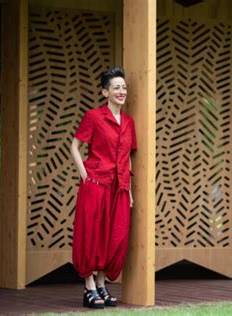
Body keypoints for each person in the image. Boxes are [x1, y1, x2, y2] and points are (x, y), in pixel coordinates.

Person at [70, 67, 136, 309]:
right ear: (105, 92)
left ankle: (101, 284)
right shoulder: (94, 117)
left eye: (124, 87)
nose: (122, 91)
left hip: (119, 188)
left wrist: (129, 190)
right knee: (92, 235)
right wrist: (85, 175)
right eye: (116, 87)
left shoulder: (129, 122)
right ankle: (89, 287)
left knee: (114, 238)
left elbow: (127, 156)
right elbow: (74, 146)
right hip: (96, 184)